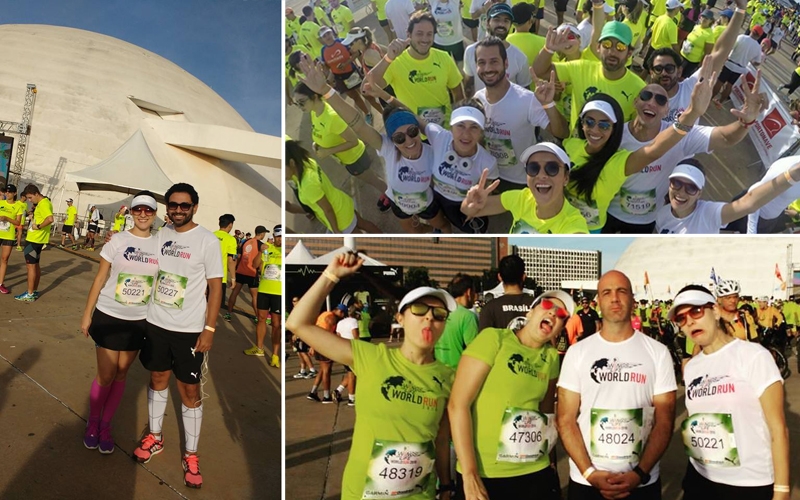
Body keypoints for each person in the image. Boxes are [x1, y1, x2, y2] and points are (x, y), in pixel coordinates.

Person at [286, 253, 457, 500]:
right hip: (363, 494)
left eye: (439, 313)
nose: (429, 317)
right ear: (400, 318)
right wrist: (331, 275)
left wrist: (446, 485)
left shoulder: (448, 377)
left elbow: (441, 437)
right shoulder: (371, 357)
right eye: (419, 310)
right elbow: (298, 323)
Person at [131, 183, 223, 489]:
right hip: (156, 323)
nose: (178, 210)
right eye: (173, 205)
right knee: (157, 379)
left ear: (195, 207)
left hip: (189, 330)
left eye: (184, 205)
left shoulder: (208, 241)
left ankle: (191, 454)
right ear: (167, 207)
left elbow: (216, 288)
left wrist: (209, 329)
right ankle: (155, 437)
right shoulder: (161, 234)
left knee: (189, 392)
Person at [557, 270, 677, 499]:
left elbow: (665, 420)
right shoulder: (578, 352)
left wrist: (639, 474)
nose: (614, 298)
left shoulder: (658, 353)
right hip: (587, 481)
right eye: (607, 292)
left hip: (641, 481)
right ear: (598, 301)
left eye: (621, 291)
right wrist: (589, 472)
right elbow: (565, 418)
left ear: (632, 298)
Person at [298, 55, 451, 234]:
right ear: (392, 140)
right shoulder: (388, 149)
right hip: (400, 205)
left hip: (427, 203)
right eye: (400, 138)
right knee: (414, 232)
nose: (409, 141)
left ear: (418, 128)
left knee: (442, 226)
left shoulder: (433, 152)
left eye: (412, 132)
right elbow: (358, 123)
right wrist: (326, 91)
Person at [668, 285, 790, 500]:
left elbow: (778, 429)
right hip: (700, 477)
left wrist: (782, 490)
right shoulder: (692, 367)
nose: (689, 322)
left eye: (696, 311)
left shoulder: (753, 356)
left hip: (748, 481)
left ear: (715, 311)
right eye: (681, 318)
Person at [449, 291, 574, 499]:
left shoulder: (551, 357)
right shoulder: (493, 339)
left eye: (561, 314)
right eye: (546, 306)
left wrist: (550, 464)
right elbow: (457, 405)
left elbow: (545, 414)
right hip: (487, 471)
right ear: (531, 311)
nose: (553, 314)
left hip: (534, 469)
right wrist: (469, 474)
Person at [605, 72, 764, 233]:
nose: (652, 103)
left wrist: (746, 122)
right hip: (608, 211)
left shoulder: (680, 136)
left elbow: (725, 138)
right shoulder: (615, 135)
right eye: (646, 96)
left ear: (667, 111)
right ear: (635, 102)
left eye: (660, 100)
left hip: (646, 220)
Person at [563, 68, 713, 232]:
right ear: (581, 122)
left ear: (613, 128)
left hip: (591, 231)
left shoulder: (618, 162)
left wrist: (692, 114)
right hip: (561, 222)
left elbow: (653, 150)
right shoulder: (570, 145)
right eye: (589, 122)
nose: (595, 129)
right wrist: (548, 103)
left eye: (604, 124)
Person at [79, 191, 160, 455]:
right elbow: (100, 278)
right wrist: (87, 313)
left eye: (148, 210)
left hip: (139, 320)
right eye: (139, 210)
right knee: (106, 374)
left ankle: (105, 425)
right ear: (131, 212)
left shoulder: (160, 245)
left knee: (122, 373)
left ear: (155, 214)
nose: (143, 214)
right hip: (109, 314)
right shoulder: (118, 241)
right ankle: (92, 423)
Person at [362, 80, 498, 232]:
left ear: (481, 131)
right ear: (451, 127)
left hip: (464, 203)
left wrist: (478, 207)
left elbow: (487, 187)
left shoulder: (488, 162)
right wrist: (382, 94)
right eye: (460, 126)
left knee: (471, 230)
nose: (466, 134)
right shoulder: (438, 137)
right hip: (438, 199)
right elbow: (410, 116)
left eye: (474, 127)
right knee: (444, 222)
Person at [472, 37, 569, 191]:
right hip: (490, 176)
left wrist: (548, 104)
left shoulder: (526, 99)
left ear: (506, 64)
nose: (488, 68)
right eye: (482, 63)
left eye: (494, 61)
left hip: (521, 181)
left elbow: (562, 132)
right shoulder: (478, 99)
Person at [533, 20, 646, 130]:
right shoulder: (580, 68)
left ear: (629, 53)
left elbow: (636, 129)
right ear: (598, 48)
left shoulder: (639, 88)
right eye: (607, 44)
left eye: (620, 47)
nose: (612, 52)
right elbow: (539, 71)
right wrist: (549, 49)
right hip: (573, 146)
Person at [292, 82, 389, 206]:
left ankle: (392, 196)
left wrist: (328, 151)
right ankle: (387, 191)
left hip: (354, 158)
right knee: (370, 176)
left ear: (314, 97)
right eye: (297, 104)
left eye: (302, 102)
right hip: (346, 159)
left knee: (372, 179)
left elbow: (353, 141)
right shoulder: (314, 112)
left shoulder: (332, 117)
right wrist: (317, 143)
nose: (300, 106)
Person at [461, 142, 590, 233]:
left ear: (566, 178)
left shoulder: (573, 223)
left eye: (552, 168)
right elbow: (468, 211)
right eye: (533, 168)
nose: (541, 175)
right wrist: (471, 203)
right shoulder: (521, 198)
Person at [368, 11, 465, 127]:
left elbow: (458, 93)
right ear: (409, 35)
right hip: (415, 135)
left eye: (429, 34)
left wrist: (459, 122)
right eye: (419, 33)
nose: (425, 39)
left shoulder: (444, 57)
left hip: (445, 131)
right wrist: (388, 58)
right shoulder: (395, 61)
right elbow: (367, 88)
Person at [654, 158, 800, 234]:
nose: (681, 191)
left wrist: (792, 175)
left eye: (691, 188)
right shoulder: (662, 215)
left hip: (772, 217)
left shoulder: (708, 213)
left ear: (699, 193)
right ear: (669, 183)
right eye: (676, 183)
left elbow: (748, 203)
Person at [285, 137, 382, 233]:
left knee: (360, 241)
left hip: (339, 218)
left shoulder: (307, 186)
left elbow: (328, 210)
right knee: (364, 224)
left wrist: (336, 230)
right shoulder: (307, 163)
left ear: (292, 162)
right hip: (342, 202)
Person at [464, 4, 533, 96]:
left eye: (506, 21)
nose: (501, 24)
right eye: (496, 19)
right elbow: (468, 85)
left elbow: (525, 91)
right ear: (487, 23)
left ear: (510, 25)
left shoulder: (520, 57)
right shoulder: (471, 51)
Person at [246, 224, 283, 367]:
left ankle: (275, 355)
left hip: (278, 293)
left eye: (282, 236)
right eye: (278, 236)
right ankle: (259, 348)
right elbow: (255, 265)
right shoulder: (268, 248)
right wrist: (261, 252)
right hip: (264, 290)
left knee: (276, 324)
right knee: (261, 319)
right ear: (274, 236)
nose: (280, 239)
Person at [319, 27, 372, 121]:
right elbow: (327, 66)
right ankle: (367, 113)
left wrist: (346, 63)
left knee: (364, 92)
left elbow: (356, 53)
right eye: (324, 36)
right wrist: (327, 75)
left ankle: (379, 107)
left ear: (332, 33)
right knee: (355, 97)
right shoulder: (323, 51)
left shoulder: (342, 42)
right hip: (339, 78)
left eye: (328, 33)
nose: (327, 37)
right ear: (322, 39)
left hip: (351, 73)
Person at [15, 184, 54, 303]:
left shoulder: (43, 204)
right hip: (38, 240)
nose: (30, 200)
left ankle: (30, 293)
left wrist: (38, 226)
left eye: (30, 197)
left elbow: (50, 219)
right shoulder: (45, 202)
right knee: (35, 265)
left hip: (34, 239)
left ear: (36, 194)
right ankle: (34, 290)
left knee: (30, 266)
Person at [434, 274, 479, 369]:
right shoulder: (468, 316)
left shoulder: (438, 312)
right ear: (469, 292)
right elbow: (474, 352)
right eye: (474, 292)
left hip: (437, 371)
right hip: (458, 374)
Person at [711, 27, 763, 106]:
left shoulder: (742, 37)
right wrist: (750, 60)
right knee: (729, 86)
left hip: (730, 63)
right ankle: (720, 102)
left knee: (720, 82)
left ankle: (710, 98)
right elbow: (758, 62)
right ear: (759, 36)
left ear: (751, 31)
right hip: (740, 68)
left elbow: (731, 47)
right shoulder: (758, 47)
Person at [225, 226, 267, 322]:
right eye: (264, 233)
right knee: (255, 297)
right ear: (262, 233)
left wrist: (236, 268)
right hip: (252, 273)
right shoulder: (261, 245)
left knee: (234, 293)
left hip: (241, 271)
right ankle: (257, 317)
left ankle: (228, 313)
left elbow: (239, 256)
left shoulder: (245, 242)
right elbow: (261, 261)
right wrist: (262, 274)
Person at [307, 303, 346, 403]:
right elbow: (327, 334)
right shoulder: (331, 318)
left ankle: (313, 392)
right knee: (327, 371)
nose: (343, 317)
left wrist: (312, 345)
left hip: (318, 344)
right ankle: (326, 396)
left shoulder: (324, 314)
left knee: (322, 369)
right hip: (324, 346)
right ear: (340, 312)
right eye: (343, 314)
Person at [0, 184, 25, 294]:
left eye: (10, 192)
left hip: (8, 235)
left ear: (15, 193)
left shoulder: (18, 206)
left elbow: (18, 222)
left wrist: (7, 218)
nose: (7, 194)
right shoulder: (0, 203)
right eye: (6, 192)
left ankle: (0, 283)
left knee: (4, 259)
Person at [681, 11, 716, 77]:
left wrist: (701, 64)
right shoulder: (696, 27)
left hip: (692, 61)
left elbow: (707, 52)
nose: (704, 19)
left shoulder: (709, 35)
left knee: (683, 78)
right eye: (703, 17)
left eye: (707, 18)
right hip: (683, 55)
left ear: (711, 21)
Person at [431, 0, 465, 65]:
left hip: (456, 41)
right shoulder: (434, 2)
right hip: (439, 42)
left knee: (460, 66)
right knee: (441, 66)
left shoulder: (454, 2)